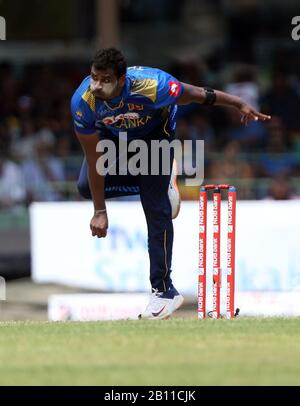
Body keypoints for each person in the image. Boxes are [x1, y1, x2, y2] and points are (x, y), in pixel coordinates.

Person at [71, 48, 271, 320]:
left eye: (104, 79)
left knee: (155, 207)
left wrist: (237, 103)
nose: (96, 85)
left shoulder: (154, 86)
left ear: (121, 79)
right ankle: (159, 183)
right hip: (113, 135)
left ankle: (164, 291)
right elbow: (94, 158)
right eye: (94, 77)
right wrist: (100, 211)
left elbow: (200, 95)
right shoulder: (84, 101)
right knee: (86, 188)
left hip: (155, 135)